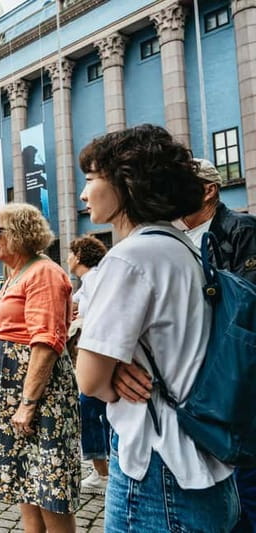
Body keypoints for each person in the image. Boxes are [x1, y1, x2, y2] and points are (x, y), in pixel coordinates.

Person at [75, 125, 239, 533]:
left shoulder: (131, 258)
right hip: (205, 458)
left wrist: (109, 373)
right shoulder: (183, 248)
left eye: (92, 178)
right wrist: (116, 368)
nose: (84, 193)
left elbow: (89, 379)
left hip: (157, 467)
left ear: (126, 182)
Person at [113, 158, 256, 532]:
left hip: (227, 382)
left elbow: (241, 312)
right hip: (192, 394)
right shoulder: (174, 240)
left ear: (208, 190)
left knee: (246, 487)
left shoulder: (241, 229)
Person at [0, 203, 80, 533]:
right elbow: (12, 326)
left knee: (50, 487)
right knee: (28, 484)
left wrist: (28, 403)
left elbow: (47, 340)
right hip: (10, 396)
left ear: (22, 234)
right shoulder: (15, 274)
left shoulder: (44, 272)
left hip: (38, 397)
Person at [67, 236, 109, 496]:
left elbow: (95, 316)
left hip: (97, 358)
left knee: (87, 411)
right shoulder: (89, 281)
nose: (69, 258)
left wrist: (80, 318)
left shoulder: (94, 279)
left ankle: (102, 473)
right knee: (98, 413)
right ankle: (104, 470)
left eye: (72, 253)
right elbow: (75, 302)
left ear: (80, 256)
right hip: (96, 358)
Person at [172, 158, 256, 283]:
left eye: (182, 185)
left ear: (209, 190)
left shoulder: (243, 228)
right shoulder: (174, 237)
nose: (172, 193)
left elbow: (246, 293)